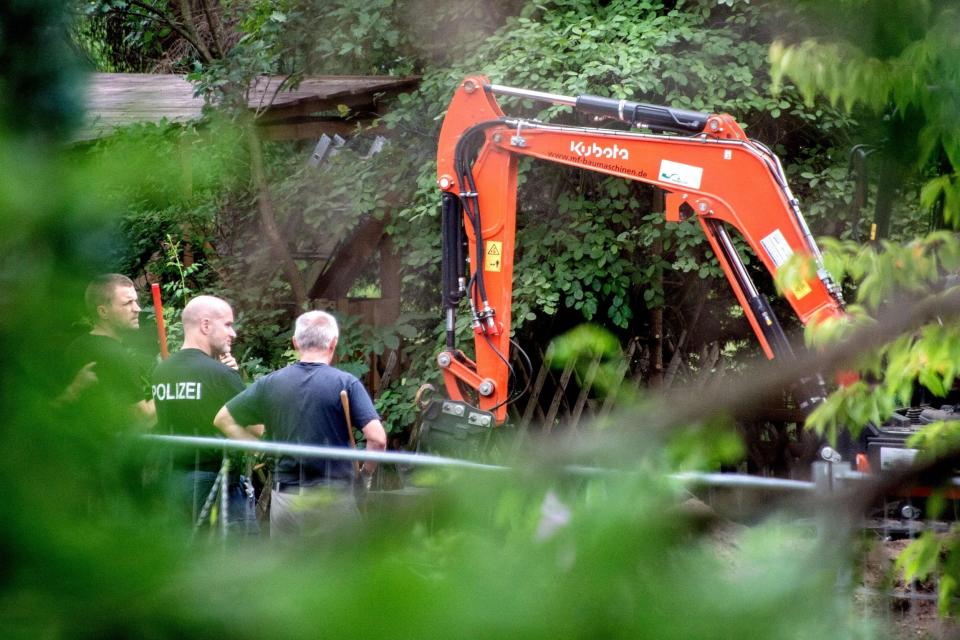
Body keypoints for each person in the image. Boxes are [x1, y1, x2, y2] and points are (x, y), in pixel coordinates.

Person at [214, 310, 387, 538]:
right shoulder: (345, 383)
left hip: (286, 500)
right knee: (341, 571)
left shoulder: (269, 384)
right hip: (334, 500)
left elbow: (223, 419)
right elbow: (377, 439)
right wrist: (365, 476)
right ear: (333, 343)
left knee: (290, 571)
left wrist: (259, 448)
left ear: (295, 343)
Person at [151, 295, 262, 533]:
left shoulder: (162, 371)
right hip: (216, 484)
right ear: (205, 325)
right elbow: (257, 428)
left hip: (174, 481)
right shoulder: (220, 375)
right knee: (240, 558)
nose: (233, 333)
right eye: (228, 324)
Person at [63, 273, 155, 428]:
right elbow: (143, 419)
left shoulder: (76, 347)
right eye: (128, 303)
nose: (137, 309)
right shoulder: (115, 355)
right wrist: (169, 388)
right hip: (109, 448)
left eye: (136, 302)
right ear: (103, 312)